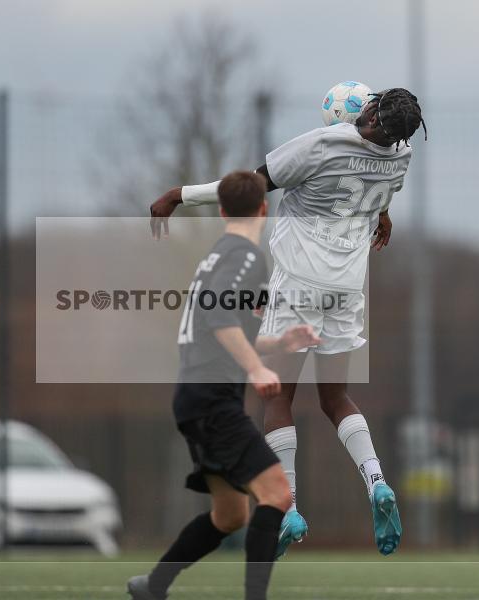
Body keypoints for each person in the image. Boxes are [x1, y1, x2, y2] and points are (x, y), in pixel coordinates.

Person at [148, 88, 426, 558]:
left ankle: (287, 510)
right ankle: (377, 480)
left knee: (276, 396)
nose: (369, 123)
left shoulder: (323, 143)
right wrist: (382, 213)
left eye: (374, 118)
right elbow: (374, 187)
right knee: (335, 397)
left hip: (299, 282)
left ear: (371, 110)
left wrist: (179, 195)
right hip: (348, 288)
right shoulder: (404, 153)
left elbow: (249, 188)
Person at [128, 171, 320, 600]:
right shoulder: (245, 256)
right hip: (213, 401)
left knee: (231, 516)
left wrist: (280, 343)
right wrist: (257, 369)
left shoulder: (219, 254)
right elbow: (219, 320)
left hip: (195, 399)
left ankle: (153, 586)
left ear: (220, 211)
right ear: (264, 209)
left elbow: (227, 326)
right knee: (277, 494)